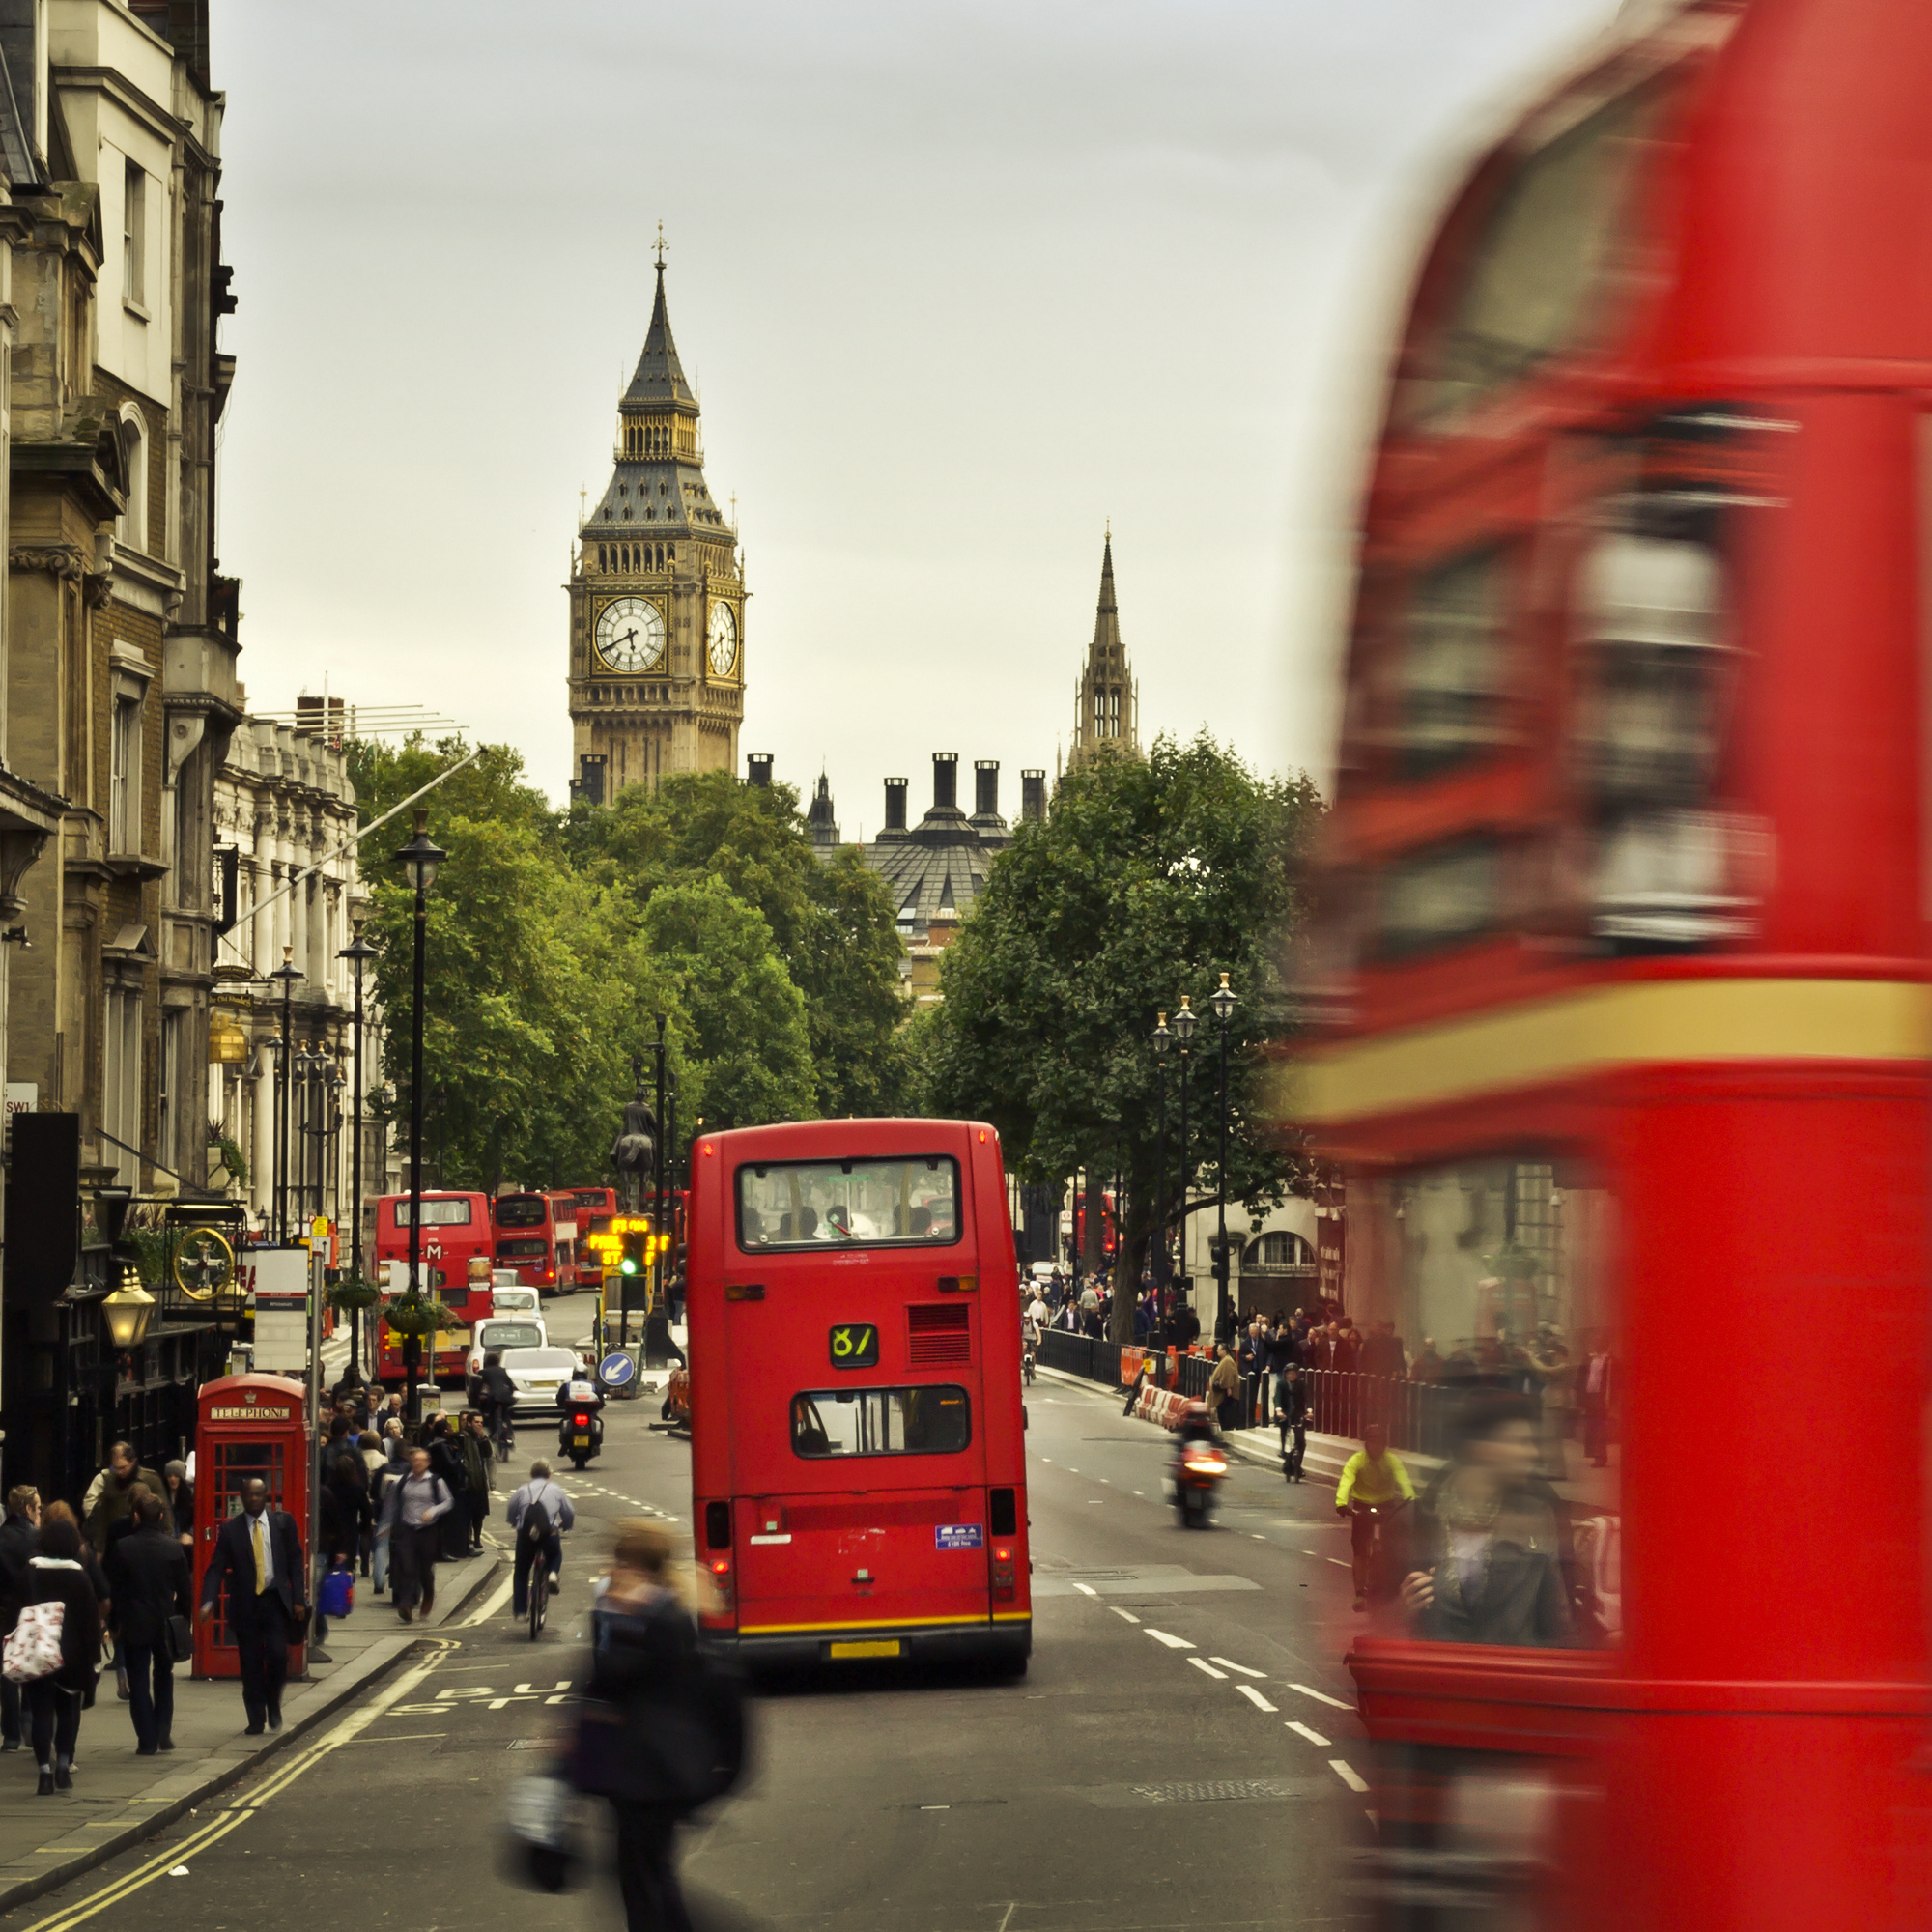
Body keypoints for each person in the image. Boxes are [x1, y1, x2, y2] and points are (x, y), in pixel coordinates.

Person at [573, 1522, 741, 1931]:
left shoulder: (658, 1616)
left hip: (652, 1768)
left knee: (640, 1875)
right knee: (648, 1870)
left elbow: (618, 1676)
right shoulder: (656, 1610)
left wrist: (613, 1611)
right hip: (645, 1767)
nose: (613, 1570)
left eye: (620, 1561)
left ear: (635, 1564)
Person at [1400, 1392, 1573, 1647]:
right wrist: (1403, 1609)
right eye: (1521, 1442)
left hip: (1514, 1677)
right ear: (1483, 1449)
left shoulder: (1539, 1515)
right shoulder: (1422, 1516)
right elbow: (1377, 1619)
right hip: (1440, 1676)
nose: (1533, 1453)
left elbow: (1558, 1621)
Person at [197, 1478, 304, 1735]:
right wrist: (208, 1600)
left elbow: (295, 1561)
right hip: (246, 1604)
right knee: (251, 1663)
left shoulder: (283, 1522)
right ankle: (256, 1718)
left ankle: (274, 1703)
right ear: (242, 1498)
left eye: (259, 1495)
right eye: (249, 1495)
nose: (254, 1499)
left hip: (275, 1600)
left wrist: (299, 1598)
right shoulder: (231, 1530)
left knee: (278, 1656)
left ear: (266, 1496)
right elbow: (215, 1568)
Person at [104, 1489, 189, 1755]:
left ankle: (147, 1738)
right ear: (162, 1516)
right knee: (164, 1675)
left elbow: (113, 1589)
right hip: (165, 1622)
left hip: (134, 1622)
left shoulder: (123, 1547)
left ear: (137, 1516)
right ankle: (164, 1732)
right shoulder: (173, 1547)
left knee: (138, 1680)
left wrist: (113, 1623)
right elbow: (185, 1591)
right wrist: (183, 1620)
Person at [20, 1514, 100, 1793]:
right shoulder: (79, 1578)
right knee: (67, 1713)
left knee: (42, 1713)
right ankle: (63, 1768)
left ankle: (44, 1773)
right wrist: (95, 1659)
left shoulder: (31, 1572)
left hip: (38, 1653)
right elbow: (91, 1623)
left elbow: (17, 1614)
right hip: (72, 1657)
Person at [1334, 1421, 1416, 1612]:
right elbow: (1346, 1481)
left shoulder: (1391, 1461)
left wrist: (1411, 1500)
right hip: (1362, 1506)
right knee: (1361, 1551)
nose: (1376, 1447)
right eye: (1372, 1442)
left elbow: (1403, 1480)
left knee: (1396, 1546)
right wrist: (1341, 1503)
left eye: (1380, 1443)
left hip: (1386, 1505)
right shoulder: (1357, 1461)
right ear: (1366, 1444)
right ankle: (1359, 1594)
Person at [378, 1446, 453, 1623]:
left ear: (428, 1463)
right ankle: (405, 1604)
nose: (417, 1463)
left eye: (421, 1460)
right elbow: (392, 1505)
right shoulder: (401, 1481)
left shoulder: (435, 1482)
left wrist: (433, 1511)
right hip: (407, 1529)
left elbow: (448, 1501)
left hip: (428, 1530)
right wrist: (386, 1525)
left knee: (424, 1569)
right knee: (406, 1566)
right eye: (415, 1460)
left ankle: (428, 1594)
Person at [504, 1460, 575, 1616]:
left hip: (526, 1534)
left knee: (521, 1571)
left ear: (531, 1474)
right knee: (555, 1553)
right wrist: (566, 1525)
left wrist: (515, 1523)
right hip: (549, 1533)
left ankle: (521, 1610)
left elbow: (511, 1510)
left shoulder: (522, 1490)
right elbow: (568, 1512)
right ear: (549, 1475)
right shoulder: (556, 1489)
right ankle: (552, 1574)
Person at [0, 1485, 40, 1753]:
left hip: (3, 1612)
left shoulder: (0, 1537)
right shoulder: (37, 1539)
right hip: (31, 1612)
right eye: (37, 1508)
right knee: (31, 1669)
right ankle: (29, 1721)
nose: (40, 1512)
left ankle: (11, 1735)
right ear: (27, 1509)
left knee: (7, 1674)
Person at [82, 1441, 172, 1555]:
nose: (119, 1472)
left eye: (123, 1468)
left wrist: (166, 1541)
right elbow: (102, 1515)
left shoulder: (150, 1479)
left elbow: (165, 1512)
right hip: (116, 1543)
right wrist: (99, 1548)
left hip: (144, 1542)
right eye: (115, 1468)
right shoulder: (109, 1480)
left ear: (133, 1462)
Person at [457, 1410, 493, 1551]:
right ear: (470, 1423)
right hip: (469, 1482)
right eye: (476, 1422)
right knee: (469, 1514)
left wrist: (483, 1438)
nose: (479, 1425)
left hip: (480, 1481)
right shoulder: (464, 1437)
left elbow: (488, 1454)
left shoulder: (480, 1437)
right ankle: (468, 1539)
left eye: (481, 1423)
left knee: (480, 1513)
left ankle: (477, 1539)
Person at [477, 1350, 518, 1455]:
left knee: (489, 1413)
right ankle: (509, 1436)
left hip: (493, 1398)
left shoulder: (485, 1371)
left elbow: (482, 1385)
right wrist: (510, 1394)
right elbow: (510, 1385)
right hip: (506, 1398)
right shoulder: (503, 1371)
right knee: (505, 1416)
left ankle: (493, 1432)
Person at [1275, 1363, 1310, 1481]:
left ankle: (1298, 1466)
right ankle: (1284, 1453)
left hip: (1298, 1415)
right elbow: (1277, 1398)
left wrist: (1309, 1411)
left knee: (1301, 1441)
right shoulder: (1281, 1384)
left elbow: (1308, 1398)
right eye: (1289, 1373)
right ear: (1285, 1374)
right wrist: (1278, 1410)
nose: (1291, 1375)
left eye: (1293, 1373)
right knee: (1285, 1436)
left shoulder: (1301, 1384)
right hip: (1285, 1415)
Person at [1207, 1343, 1242, 1434]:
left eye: (1219, 1349)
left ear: (1224, 1350)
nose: (1217, 1351)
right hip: (1224, 1391)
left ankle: (1226, 1430)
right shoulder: (1225, 1360)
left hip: (1226, 1393)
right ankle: (1225, 1429)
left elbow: (1228, 1376)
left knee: (1224, 1412)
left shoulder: (1227, 1361)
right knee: (1222, 1412)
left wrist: (1228, 1387)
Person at [162, 1461, 194, 1557]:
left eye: (176, 1476)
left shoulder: (190, 1496)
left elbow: (198, 1518)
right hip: (166, 1541)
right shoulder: (162, 1494)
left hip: (184, 1543)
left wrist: (191, 1534)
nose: (172, 1479)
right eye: (169, 1476)